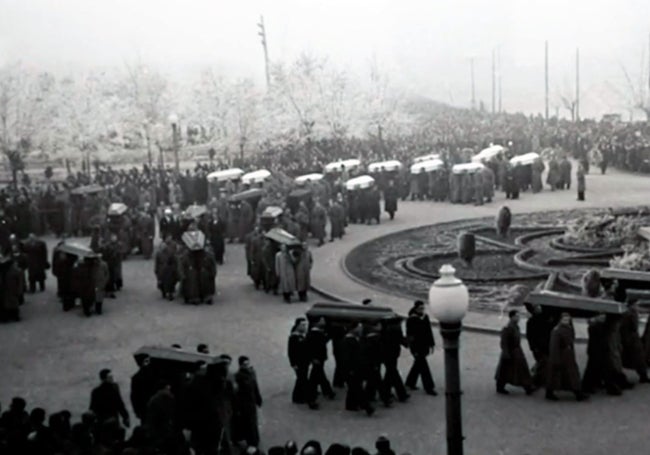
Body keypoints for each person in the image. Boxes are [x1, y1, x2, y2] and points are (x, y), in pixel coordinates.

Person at [546, 313, 587, 401]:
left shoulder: (568, 328)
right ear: (560, 320)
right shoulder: (556, 330)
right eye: (564, 320)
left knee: (572, 374)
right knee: (557, 375)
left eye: (568, 320)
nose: (566, 321)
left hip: (568, 355)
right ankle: (550, 392)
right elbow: (554, 346)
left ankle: (578, 393)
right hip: (561, 355)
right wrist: (555, 359)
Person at [495, 310, 535, 395]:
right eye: (516, 316)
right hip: (511, 351)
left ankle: (527, 387)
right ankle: (500, 387)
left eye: (518, 316)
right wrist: (506, 353)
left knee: (521, 370)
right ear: (512, 317)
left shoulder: (515, 326)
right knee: (506, 370)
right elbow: (504, 342)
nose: (518, 318)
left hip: (516, 351)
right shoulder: (508, 327)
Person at [404, 301, 437, 395]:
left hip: (424, 345)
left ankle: (410, 382)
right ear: (415, 308)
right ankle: (429, 387)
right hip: (417, 347)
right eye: (420, 308)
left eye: (423, 308)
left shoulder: (425, 317)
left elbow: (429, 331)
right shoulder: (411, 319)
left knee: (418, 365)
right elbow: (410, 335)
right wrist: (412, 348)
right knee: (423, 366)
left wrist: (431, 344)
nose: (422, 310)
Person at [342, 324, 374, 416]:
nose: (361, 329)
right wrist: (350, 369)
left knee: (353, 387)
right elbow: (347, 358)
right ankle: (367, 407)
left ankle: (351, 405)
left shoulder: (353, 339)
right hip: (352, 369)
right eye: (359, 327)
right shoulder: (348, 341)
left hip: (355, 368)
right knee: (358, 388)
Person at [234, 356, 263, 449]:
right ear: (240, 365)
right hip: (244, 404)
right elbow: (237, 393)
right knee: (248, 423)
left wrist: (258, 398)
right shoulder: (238, 376)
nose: (247, 366)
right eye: (244, 364)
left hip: (251, 401)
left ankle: (254, 440)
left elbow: (255, 386)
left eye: (248, 363)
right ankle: (252, 441)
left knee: (252, 422)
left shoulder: (252, 373)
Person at [306, 318, 336, 404]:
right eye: (322, 320)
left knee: (318, 375)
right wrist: (313, 358)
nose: (324, 322)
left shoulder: (317, 332)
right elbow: (311, 348)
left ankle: (327, 391)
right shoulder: (314, 334)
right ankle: (312, 398)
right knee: (315, 378)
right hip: (317, 359)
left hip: (319, 359)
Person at [619, 301, 650, 383]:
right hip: (632, 338)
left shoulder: (625, 311)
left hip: (625, 337)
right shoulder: (632, 312)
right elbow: (634, 326)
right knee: (639, 358)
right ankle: (643, 376)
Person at [526, 304, 553, 387]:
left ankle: (537, 378)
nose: (539, 308)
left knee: (542, 362)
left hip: (544, 346)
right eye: (537, 307)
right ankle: (534, 381)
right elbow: (530, 336)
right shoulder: (531, 322)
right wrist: (533, 347)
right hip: (538, 347)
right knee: (543, 363)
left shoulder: (543, 319)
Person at [288, 318, 313, 407]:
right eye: (302, 325)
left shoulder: (303, 335)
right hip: (298, 363)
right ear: (298, 325)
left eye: (305, 325)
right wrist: (293, 363)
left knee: (301, 379)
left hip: (304, 361)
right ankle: (305, 398)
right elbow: (291, 352)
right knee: (302, 379)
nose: (304, 326)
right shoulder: (294, 337)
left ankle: (297, 397)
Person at [130, 355, 157, 423]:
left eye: (149, 361)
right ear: (141, 363)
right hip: (145, 409)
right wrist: (137, 411)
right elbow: (134, 396)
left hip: (154, 408)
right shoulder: (136, 378)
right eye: (146, 361)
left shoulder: (154, 374)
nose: (149, 363)